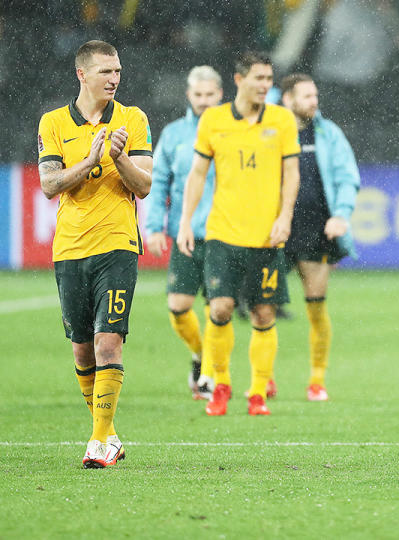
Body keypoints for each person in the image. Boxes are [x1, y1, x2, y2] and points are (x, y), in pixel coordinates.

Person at [37, 40, 153, 467]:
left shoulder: (133, 118)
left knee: (109, 342)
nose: (115, 79)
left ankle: (97, 442)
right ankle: (110, 438)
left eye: (118, 70)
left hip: (117, 245)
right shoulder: (53, 122)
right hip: (69, 247)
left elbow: (143, 186)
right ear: (82, 74)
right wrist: (90, 160)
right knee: (82, 351)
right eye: (106, 71)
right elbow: (50, 185)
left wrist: (118, 158)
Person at [176, 51, 301, 416]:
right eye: (259, 78)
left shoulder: (281, 120)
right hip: (222, 233)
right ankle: (221, 386)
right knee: (220, 308)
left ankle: (258, 392)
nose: (265, 86)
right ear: (239, 80)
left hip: (266, 237)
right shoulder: (214, 120)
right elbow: (197, 174)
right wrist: (185, 221)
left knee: (264, 314)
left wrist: (285, 217)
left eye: (268, 79)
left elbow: (291, 173)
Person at [279, 73, 361, 402]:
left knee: (315, 304)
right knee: (264, 309)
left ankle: (316, 380)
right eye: (307, 96)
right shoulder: (270, 132)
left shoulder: (328, 133)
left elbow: (346, 176)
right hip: (276, 228)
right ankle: (263, 380)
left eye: (315, 95)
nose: (314, 101)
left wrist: (340, 214)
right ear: (288, 100)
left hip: (316, 228)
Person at [145, 65, 223, 401]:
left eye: (210, 95)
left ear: (221, 95)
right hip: (186, 232)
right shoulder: (175, 134)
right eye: (198, 95)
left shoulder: (232, 131)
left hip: (224, 233)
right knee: (179, 307)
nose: (204, 101)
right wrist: (154, 227)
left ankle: (210, 377)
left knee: (217, 307)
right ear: (189, 96)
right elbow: (159, 179)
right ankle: (202, 353)